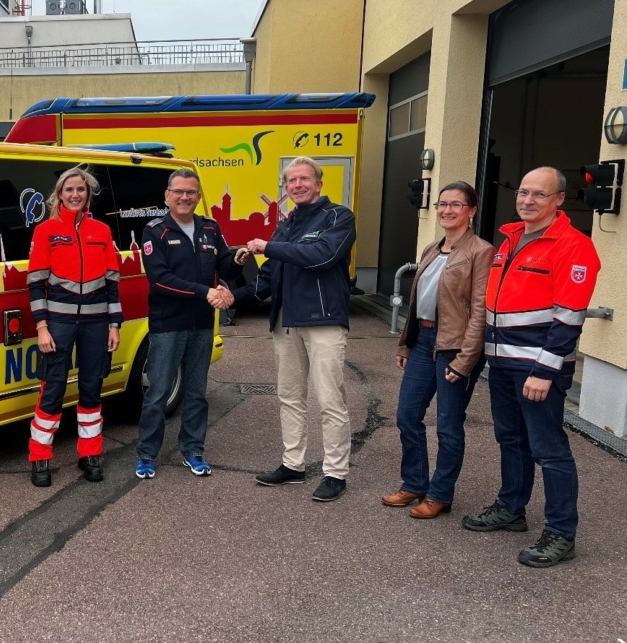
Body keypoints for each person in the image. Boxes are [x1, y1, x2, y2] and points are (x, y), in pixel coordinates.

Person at [463, 166, 600, 568]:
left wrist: (546, 370)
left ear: (559, 200)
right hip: (502, 363)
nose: (527, 200)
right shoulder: (510, 239)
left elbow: (570, 315)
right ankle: (511, 507)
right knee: (511, 440)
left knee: (549, 450)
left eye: (539, 194)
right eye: (523, 192)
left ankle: (561, 533)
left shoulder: (574, 246)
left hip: (538, 367)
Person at [233, 156, 356, 502]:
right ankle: (293, 464)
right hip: (285, 323)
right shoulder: (285, 225)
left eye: (304, 179)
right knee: (289, 397)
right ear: (286, 189)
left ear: (319, 183)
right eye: (291, 181)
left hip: (323, 321)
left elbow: (321, 255)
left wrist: (267, 246)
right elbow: (270, 277)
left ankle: (335, 473)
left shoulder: (338, 217)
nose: (297, 185)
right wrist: (234, 297)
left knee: (330, 399)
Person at [381, 182, 493, 518]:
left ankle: (440, 494)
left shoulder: (481, 251)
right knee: (407, 415)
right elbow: (417, 302)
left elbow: (479, 310)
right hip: (424, 341)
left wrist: (465, 360)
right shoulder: (432, 248)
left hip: (455, 347)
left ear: (471, 211)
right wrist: (406, 342)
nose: (447, 210)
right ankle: (414, 483)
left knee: (448, 425)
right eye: (443, 204)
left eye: (456, 205)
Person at [135, 168, 240, 479]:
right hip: (168, 325)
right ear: (167, 196)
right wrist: (205, 291)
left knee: (196, 393)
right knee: (157, 393)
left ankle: (193, 450)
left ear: (198, 196)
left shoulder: (210, 227)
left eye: (191, 192)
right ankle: (146, 454)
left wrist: (237, 260)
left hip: (202, 325)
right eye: (178, 191)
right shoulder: (155, 230)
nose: (184, 197)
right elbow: (161, 280)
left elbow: (225, 266)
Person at [27, 166, 122, 487]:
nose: (75, 194)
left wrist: (114, 324)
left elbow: (112, 283)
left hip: (97, 322)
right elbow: (35, 283)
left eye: (80, 189)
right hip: (58, 322)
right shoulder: (45, 231)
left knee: (92, 388)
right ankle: (40, 458)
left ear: (88, 194)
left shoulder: (102, 231)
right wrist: (41, 327)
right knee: (52, 389)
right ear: (59, 194)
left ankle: (90, 454)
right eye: (69, 189)